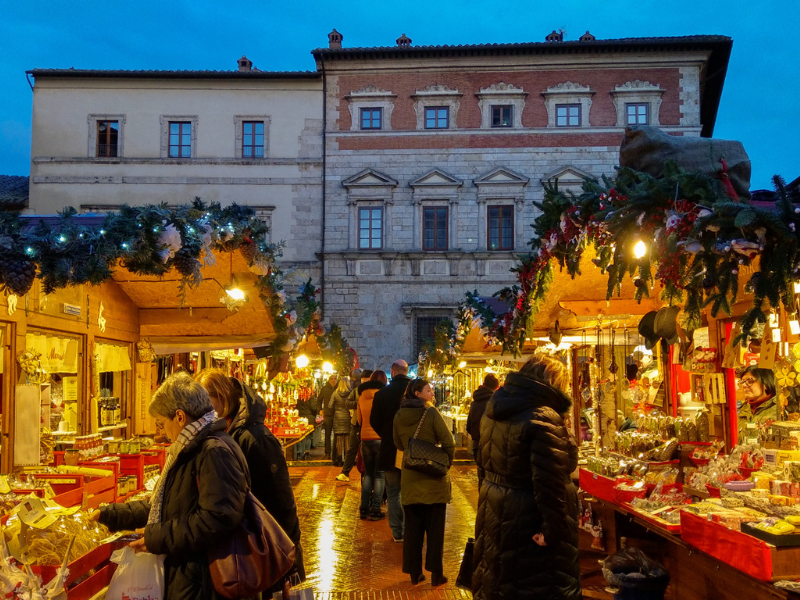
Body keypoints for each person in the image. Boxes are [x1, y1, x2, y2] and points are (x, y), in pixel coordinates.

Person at [93, 373, 249, 600]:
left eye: (161, 423)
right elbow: (165, 507)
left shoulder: (213, 451)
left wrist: (156, 538)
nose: (162, 432)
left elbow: (218, 519)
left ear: (179, 417)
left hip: (205, 583)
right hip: (190, 578)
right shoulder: (189, 449)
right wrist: (110, 514)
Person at [472, 354, 581, 600]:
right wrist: (552, 531)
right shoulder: (543, 416)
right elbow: (550, 484)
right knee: (538, 586)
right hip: (529, 520)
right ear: (554, 383)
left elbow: (481, 456)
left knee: (502, 582)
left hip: (496, 510)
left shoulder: (493, 410)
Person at [194, 369, 305, 589]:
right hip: (246, 545)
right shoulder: (223, 432)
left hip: (264, 547)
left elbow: (281, 499)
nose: (201, 409)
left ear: (222, 398)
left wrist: (288, 552)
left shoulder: (256, 437)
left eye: (205, 400)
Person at [393, 378, 455, 586]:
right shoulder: (431, 413)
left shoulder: (400, 414)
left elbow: (398, 443)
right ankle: (436, 574)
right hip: (433, 479)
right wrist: (445, 462)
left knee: (412, 529)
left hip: (410, 477)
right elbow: (449, 442)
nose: (432, 393)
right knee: (435, 531)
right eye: (429, 390)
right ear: (417, 393)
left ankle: (414, 572)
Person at [370, 359, 413, 542]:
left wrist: (388, 436)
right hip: (413, 449)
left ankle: (397, 532)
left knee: (394, 492)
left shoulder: (382, 394)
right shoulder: (415, 392)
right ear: (406, 371)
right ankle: (412, 530)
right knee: (411, 491)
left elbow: (374, 421)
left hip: (390, 448)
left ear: (393, 372)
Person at [356, 370, 387, 519]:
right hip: (380, 437)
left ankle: (363, 507)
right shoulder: (384, 394)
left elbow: (359, 420)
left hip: (365, 437)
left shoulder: (361, 395)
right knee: (380, 475)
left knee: (368, 474)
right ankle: (376, 509)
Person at [337, 369, 373, 481]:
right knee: (352, 448)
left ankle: (368, 473)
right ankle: (345, 472)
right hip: (357, 423)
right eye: (363, 380)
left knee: (369, 450)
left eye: (367, 380)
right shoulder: (357, 391)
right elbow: (347, 403)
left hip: (370, 424)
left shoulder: (376, 391)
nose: (365, 383)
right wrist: (358, 404)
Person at [466, 373, 499, 490]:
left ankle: (481, 501)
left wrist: (476, 436)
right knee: (491, 476)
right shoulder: (495, 402)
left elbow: (468, 426)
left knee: (481, 474)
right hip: (491, 443)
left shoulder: (475, 403)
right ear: (497, 386)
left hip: (477, 443)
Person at [738, 366, 778, 440]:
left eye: (750, 381)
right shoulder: (745, 409)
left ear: (765, 383)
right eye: (743, 382)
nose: (744, 385)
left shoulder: (777, 409)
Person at [331, 377, 356, 467]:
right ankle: (347, 459)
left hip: (338, 417)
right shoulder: (351, 393)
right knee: (347, 439)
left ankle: (338, 459)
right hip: (347, 417)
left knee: (339, 439)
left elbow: (330, 405)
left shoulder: (335, 393)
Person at [318, 374, 338, 459]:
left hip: (337, 415)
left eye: (335, 379)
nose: (333, 380)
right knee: (327, 435)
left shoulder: (338, 389)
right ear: (329, 380)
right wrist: (320, 410)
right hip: (328, 415)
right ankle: (327, 452)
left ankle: (336, 452)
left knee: (337, 435)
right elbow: (319, 400)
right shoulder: (325, 389)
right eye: (332, 379)